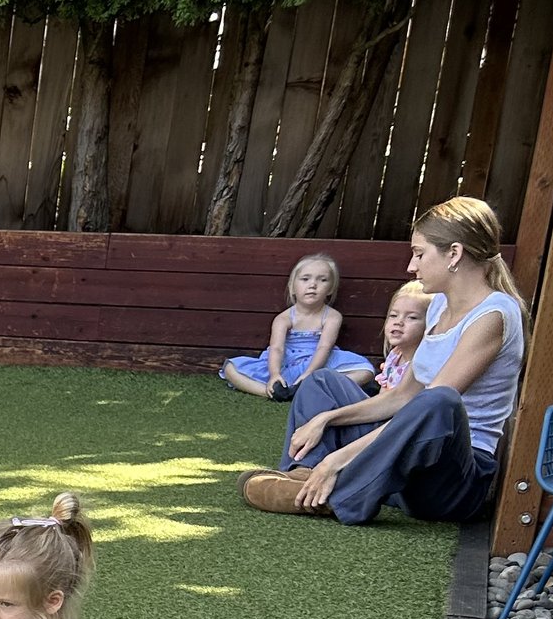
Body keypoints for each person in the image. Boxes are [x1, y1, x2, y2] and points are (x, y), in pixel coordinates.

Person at [240, 197, 527, 522]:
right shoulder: (437, 306)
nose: (411, 266)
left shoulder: (493, 315)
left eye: (419, 253)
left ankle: (338, 494)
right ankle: (306, 480)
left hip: (452, 481)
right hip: (408, 461)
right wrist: (328, 418)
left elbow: (429, 410)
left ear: (454, 254)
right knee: (323, 382)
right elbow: (402, 397)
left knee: (440, 402)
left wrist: (338, 460)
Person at [218, 253, 372, 400]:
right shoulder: (283, 318)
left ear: (331, 289)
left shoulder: (332, 316)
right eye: (305, 279)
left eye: (322, 280)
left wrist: (310, 374)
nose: (313, 285)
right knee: (231, 369)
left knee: (366, 371)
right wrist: (274, 375)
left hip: (319, 361)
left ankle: (316, 388)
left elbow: (324, 348)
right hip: (286, 361)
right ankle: (271, 391)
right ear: (292, 287)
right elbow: (277, 348)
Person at [362, 279, 430, 395]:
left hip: (404, 411)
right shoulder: (394, 355)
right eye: (393, 315)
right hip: (382, 408)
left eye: (412, 317)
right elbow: (382, 395)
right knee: (327, 377)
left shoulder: (424, 363)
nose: (398, 322)